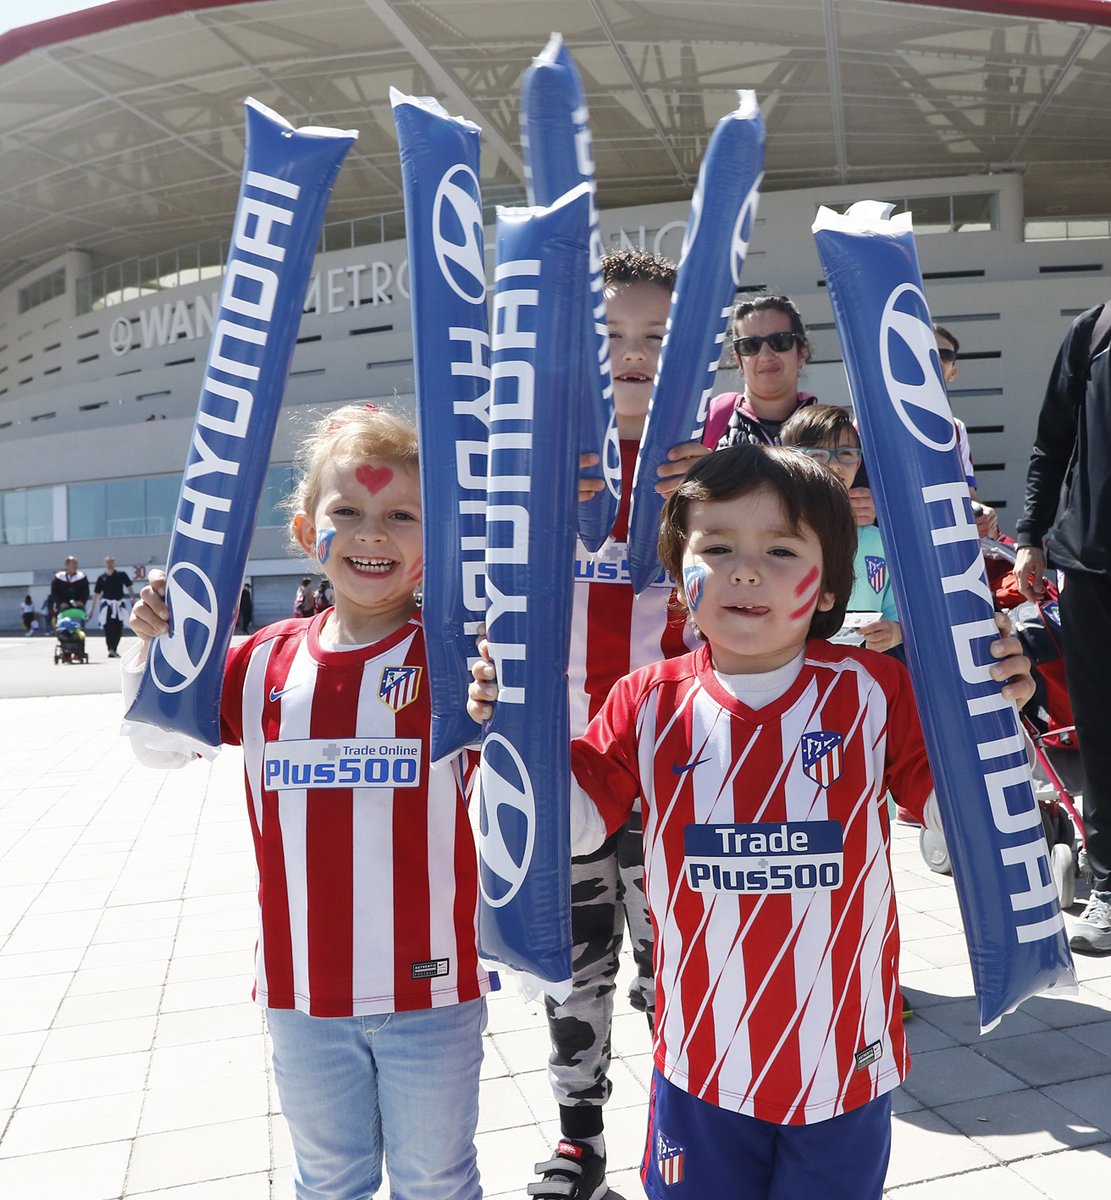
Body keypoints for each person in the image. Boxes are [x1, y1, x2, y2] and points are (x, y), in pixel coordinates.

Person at [470, 446, 1034, 1200]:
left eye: (779, 549)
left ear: (830, 583)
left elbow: (965, 836)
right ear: (678, 580)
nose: (744, 570)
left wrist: (995, 726)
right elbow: (567, 829)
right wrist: (506, 737)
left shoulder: (872, 689)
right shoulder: (646, 700)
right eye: (717, 547)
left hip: (845, 1061)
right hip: (702, 1062)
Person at [124, 404, 491, 1200]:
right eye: (347, 512)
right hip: (302, 990)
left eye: (401, 515)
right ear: (303, 532)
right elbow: (157, 747)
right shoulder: (260, 662)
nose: (372, 533)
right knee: (328, 1181)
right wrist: (156, 646)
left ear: (437, 539)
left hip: (432, 986)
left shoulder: (461, 664)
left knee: (436, 1180)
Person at [528, 248, 709, 1200]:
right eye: (609, 337)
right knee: (575, 967)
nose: (632, 355)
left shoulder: (718, 473)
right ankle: (578, 1138)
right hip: (563, 770)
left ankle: (683, 1127)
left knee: (680, 967)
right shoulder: (531, 463)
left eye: (656, 338)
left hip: (680, 774)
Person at [1016, 300, 1111, 952]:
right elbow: (1052, 441)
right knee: (1101, 733)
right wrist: (1029, 536)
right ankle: (1107, 886)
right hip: (1090, 566)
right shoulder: (1094, 328)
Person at [703, 294, 875, 528]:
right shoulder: (709, 423)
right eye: (750, 345)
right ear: (738, 359)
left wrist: (870, 511)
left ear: (802, 352)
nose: (765, 356)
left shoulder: (834, 431)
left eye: (780, 341)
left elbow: (872, 516)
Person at [779, 405, 902, 654]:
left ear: (858, 465)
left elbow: (895, 609)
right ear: (788, 463)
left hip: (860, 673)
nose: (835, 465)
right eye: (818, 456)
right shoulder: (776, 538)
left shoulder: (879, 540)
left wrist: (894, 631)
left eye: (846, 453)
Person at [933, 324, 1000, 539]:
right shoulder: (872, 422)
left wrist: (983, 515)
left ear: (953, 372)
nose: (934, 360)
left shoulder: (956, 429)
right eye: (926, 351)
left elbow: (968, 496)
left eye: (944, 355)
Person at [93, 556, 133, 658]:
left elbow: (129, 587)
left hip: (119, 605)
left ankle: (114, 648)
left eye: (111, 562)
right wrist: (92, 609)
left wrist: (133, 598)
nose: (109, 564)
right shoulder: (101, 578)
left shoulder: (121, 575)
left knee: (118, 627)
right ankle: (111, 648)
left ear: (114, 563)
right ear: (105, 564)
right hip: (107, 606)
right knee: (108, 628)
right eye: (108, 562)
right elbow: (97, 594)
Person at [49, 555, 89, 623]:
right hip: (63, 608)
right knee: (64, 628)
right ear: (67, 565)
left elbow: (85, 591)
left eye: (76, 564)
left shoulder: (82, 577)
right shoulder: (59, 577)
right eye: (73, 563)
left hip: (78, 608)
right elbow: (54, 592)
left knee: (77, 627)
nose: (75, 566)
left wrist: (82, 601)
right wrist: (60, 603)